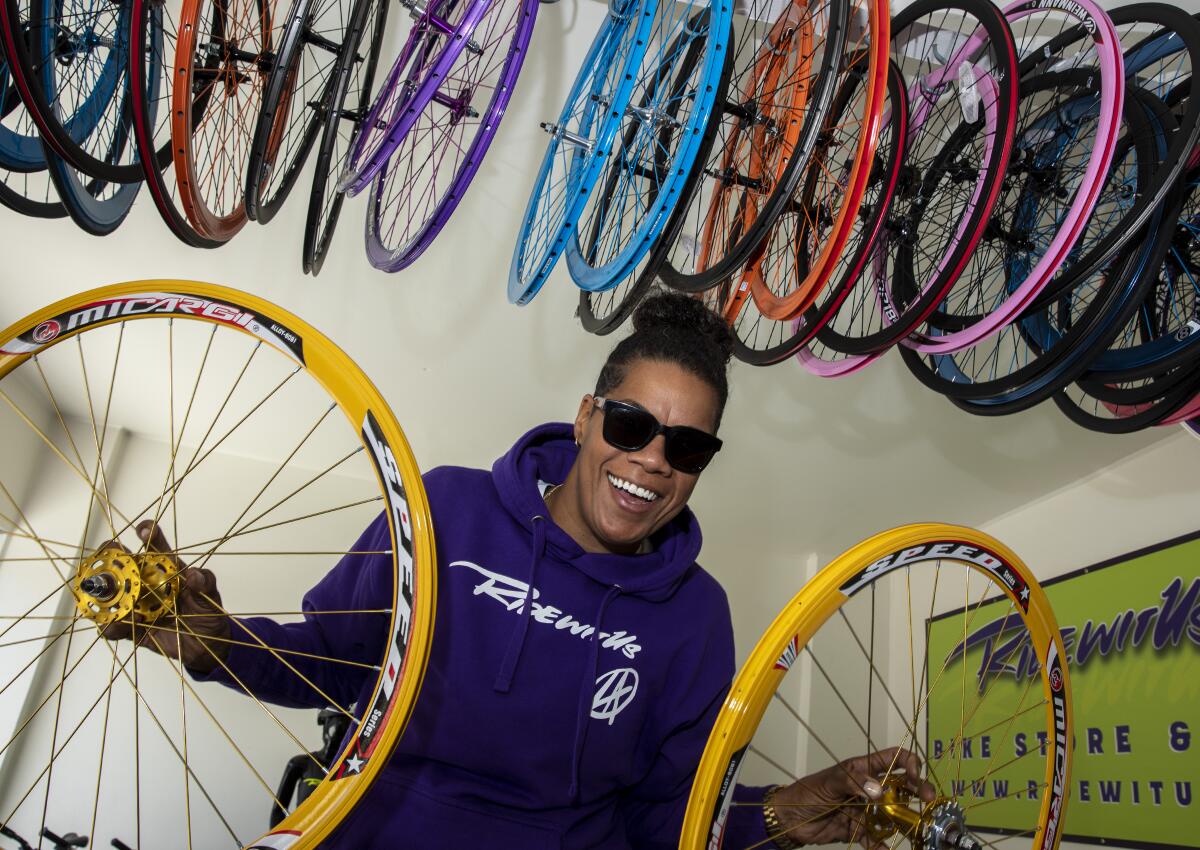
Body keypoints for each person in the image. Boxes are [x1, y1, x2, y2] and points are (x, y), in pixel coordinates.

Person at [108, 292, 932, 849]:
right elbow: (325, 663)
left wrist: (794, 810)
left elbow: (666, 821)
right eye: (632, 423)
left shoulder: (695, 618)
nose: (650, 461)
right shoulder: (445, 511)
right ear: (586, 416)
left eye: (685, 446)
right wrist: (213, 643)